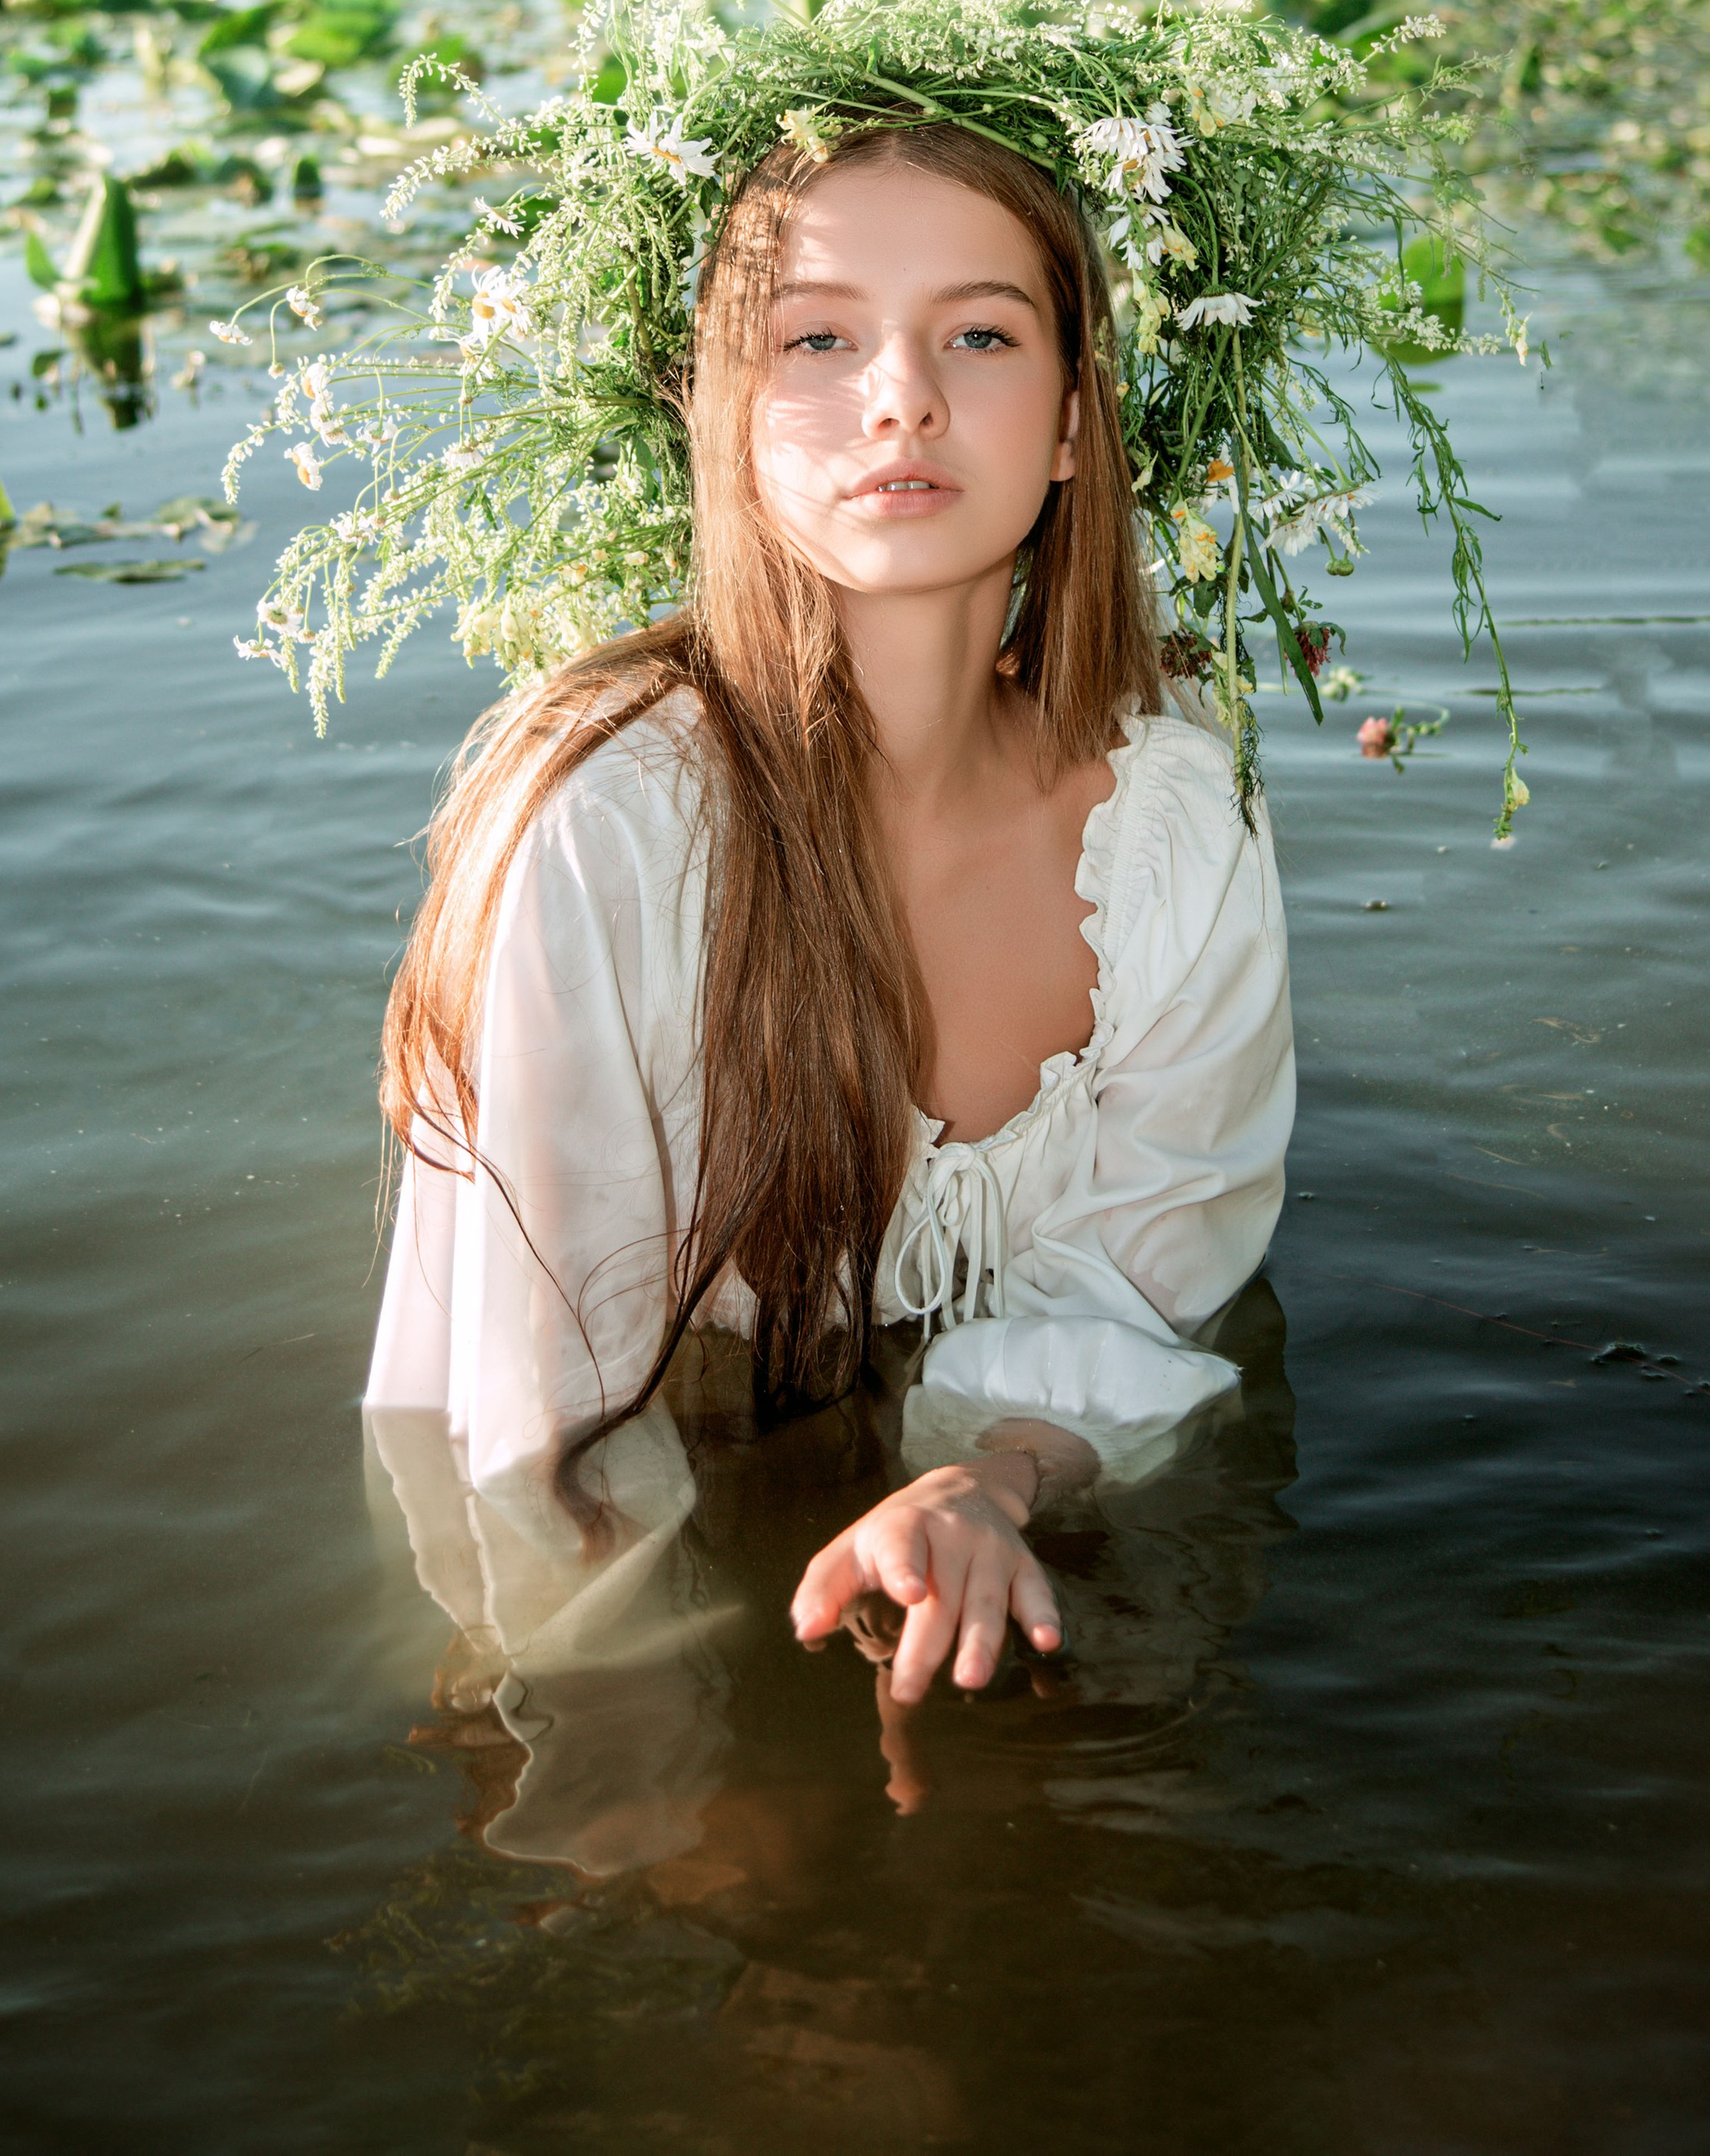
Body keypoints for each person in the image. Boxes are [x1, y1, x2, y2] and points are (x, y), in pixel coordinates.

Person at [365, 117, 1297, 1708]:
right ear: (726, 420)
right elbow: (528, 1409)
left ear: (1076, 422)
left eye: (981, 333)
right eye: (820, 336)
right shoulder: (607, 837)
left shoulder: (1176, 830)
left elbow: (1151, 1280)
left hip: (1006, 1532)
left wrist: (987, 1484)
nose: (903, 398)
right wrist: (648, 1768)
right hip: (621, 1551)